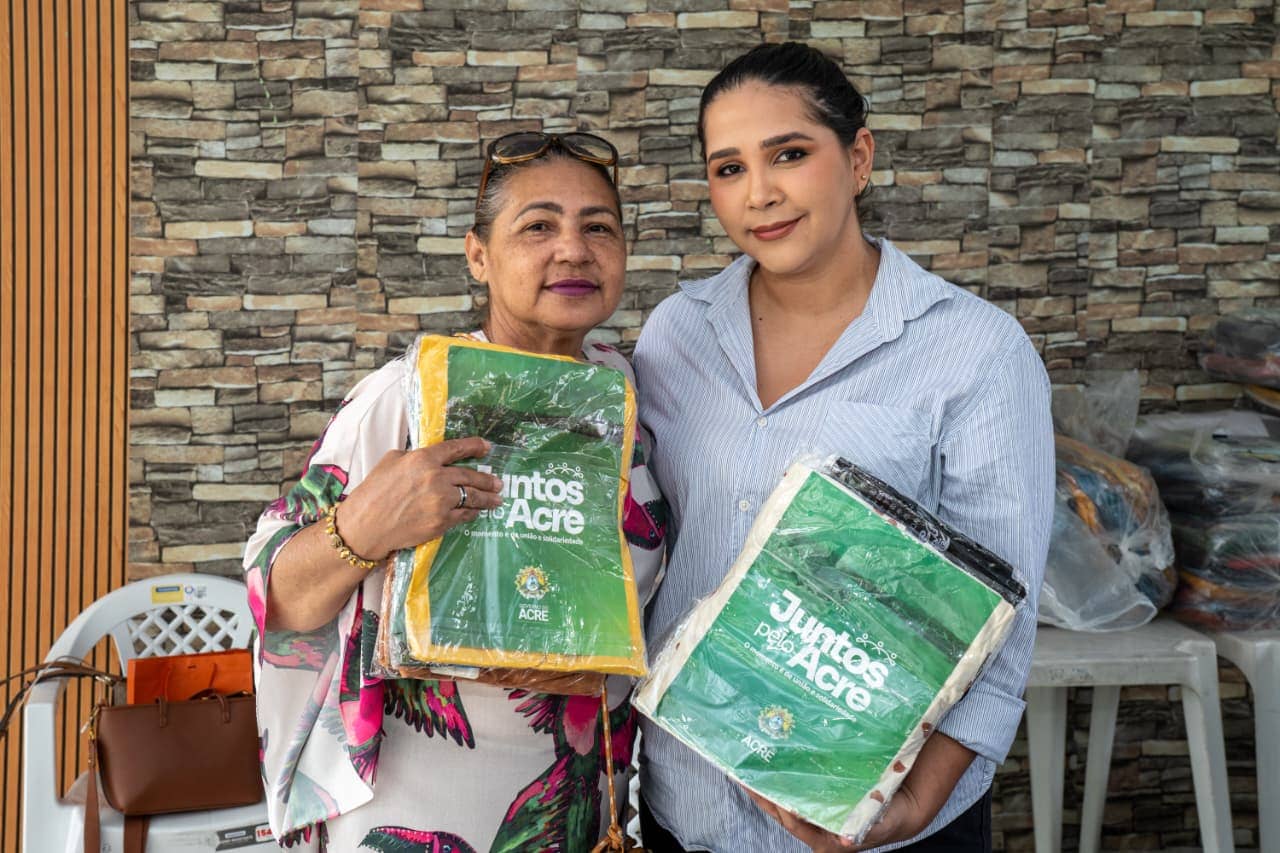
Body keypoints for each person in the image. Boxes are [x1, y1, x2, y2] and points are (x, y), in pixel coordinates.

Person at [633, 42, 1054, 853]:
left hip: (879, 821)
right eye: (728, 168)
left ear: (858, 158)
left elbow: (1003, 613)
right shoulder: (676, 334)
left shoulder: (977, 353)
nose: (760, 193)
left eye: (789, 154)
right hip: (683, 809)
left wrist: (912, 805)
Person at [244, 131, 667, 852]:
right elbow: (275, 594)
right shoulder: (410, 397)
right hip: (420, 803)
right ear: (479, 255)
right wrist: (362, 529)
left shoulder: (626, 398)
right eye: (537, 227)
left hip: (579, 807)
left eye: (599, 227)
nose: (573, 249)